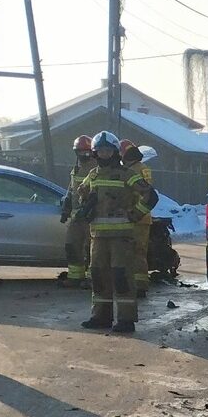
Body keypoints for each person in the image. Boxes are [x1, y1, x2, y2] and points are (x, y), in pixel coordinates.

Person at [78, 130, 152, 333]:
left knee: (121, 276)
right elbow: (81, 196)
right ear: (95, 153)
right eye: (99, 151)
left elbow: (150, 196)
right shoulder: (92, 175)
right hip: (98, 237)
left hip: (122, 237)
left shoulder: (127, 175)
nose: (103, 154)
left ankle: (126, 320)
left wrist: (135, 215)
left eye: (107, 150)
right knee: (99, 275)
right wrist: (86, 204)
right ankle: (101, 316)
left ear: (115, 152)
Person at [58, 134, 95, 286]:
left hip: (89, 217)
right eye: (80, 151)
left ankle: (92, 279)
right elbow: (71, 189)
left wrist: (87, 210)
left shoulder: (95, 168)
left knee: (89, 249)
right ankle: (75, 276)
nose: (83, 154)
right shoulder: (77, 167)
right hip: (75, 218)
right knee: (71, 245)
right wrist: (66, 205)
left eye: (86, 151)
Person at [119, 141, 153, 293]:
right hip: (139, 216)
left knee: (136, 251)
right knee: (136, 252)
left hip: (136, 216)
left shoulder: (135, 170)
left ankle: (139, 285)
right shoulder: (140, 168)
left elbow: (144, 192)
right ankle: (137, 283)